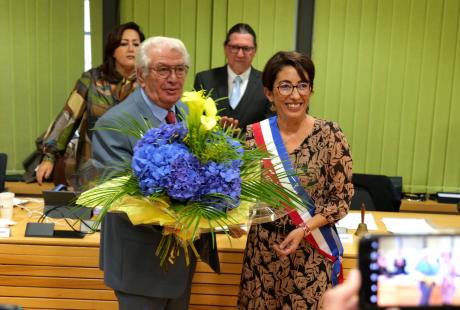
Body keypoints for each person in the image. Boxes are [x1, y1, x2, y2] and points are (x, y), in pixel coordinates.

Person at [237, 51, 354, 309]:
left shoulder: (330, 135)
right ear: (269, 93)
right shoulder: (254, 136)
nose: (295, 95)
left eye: (303, 85)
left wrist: (304, 230)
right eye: (285, 86)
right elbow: (240, 193)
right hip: (263, 253)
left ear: (311, 90)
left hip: (311, 252)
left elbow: (340, 200)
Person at [91, 36, 198, 310]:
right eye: (163, 69)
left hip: (181, 262)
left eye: (180, 69)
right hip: (139, 264)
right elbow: (121, 195)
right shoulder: (114, 124)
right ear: (141, 74)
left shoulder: (187, 113)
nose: (174, 78)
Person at [35, 22, 145, 186]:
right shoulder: (92, 79)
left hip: (134, 168)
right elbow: (68, 117)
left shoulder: (148, 83)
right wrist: (49, 157)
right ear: (112, 50)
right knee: (91, 211)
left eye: (136, 44)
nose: (131, 49)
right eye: (124, 43)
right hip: (93, 167)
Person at [193, 23, 272, 133]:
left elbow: (270, 126)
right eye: (234, 47)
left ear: (254, 50)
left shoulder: (268, 82)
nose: (240, 54)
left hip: (253, 149)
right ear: (225, 48)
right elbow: (197, 122)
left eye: (246, 48)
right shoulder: (204, 80)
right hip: (211, 148)